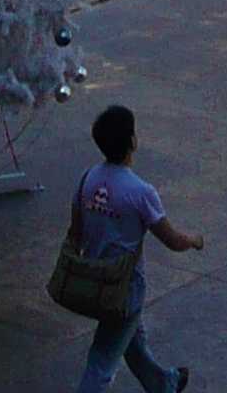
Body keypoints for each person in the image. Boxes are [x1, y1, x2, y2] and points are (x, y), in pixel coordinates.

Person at [70, 104, 200, 393]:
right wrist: (193, 239)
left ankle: (163, 383)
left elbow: (76, 230)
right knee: (102, 361)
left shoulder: (86, 180)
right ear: (132, 141)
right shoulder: (140, 192)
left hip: (93, 279)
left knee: (131, 337)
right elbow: (172, 240)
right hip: (125, 288)